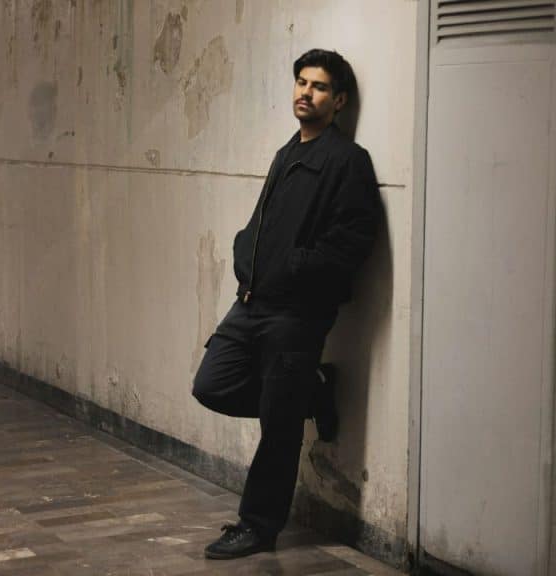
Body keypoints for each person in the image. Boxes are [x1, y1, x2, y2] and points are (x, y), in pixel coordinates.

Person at [192, 48, 381, 560]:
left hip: (295, 315)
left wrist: (296, 269)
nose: (305, 92)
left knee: (278, 428)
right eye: (301, 82)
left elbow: (354, 239)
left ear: (338, 100)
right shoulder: (287, 152)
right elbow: (263, 226)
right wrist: (243, 252)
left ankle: (257, 525)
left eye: (318, 87)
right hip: (252, 303)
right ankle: (310, 396)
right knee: (211, 384)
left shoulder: (346, 161)